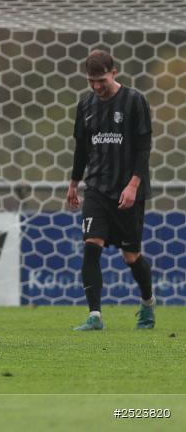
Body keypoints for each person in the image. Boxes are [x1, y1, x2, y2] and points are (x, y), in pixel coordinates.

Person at [67, 49, 155, 331]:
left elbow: (144, 149)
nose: (96, 86)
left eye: (101, 80)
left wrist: (133, 185)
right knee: (91, 248)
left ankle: (147, 303)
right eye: (91, 81)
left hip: (129, 192)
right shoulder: (86, 105)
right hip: (97, 189)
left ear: (114, 73)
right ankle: (95, 316)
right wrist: (73, 183)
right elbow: (81, 149)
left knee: (131, 256)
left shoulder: (135, 101)